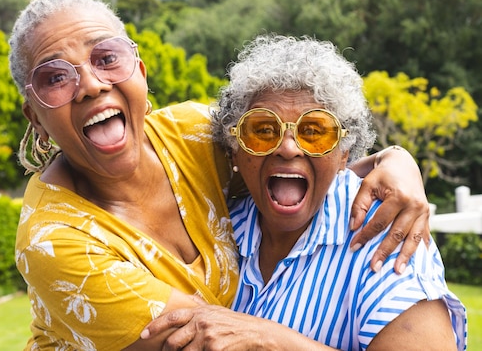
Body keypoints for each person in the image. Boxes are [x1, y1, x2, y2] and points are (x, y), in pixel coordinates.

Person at [8, 0, 432, 350]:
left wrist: (392, 160)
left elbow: (292, 148)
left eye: (106, 57)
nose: (92, 85)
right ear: (35, 117)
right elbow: (221, 338)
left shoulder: (194, 134)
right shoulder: (54, 240)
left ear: (138, 70)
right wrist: (270, 337)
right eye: (55, 77)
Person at [142, 35, 467, 350]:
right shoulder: (213, 224)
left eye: (314, 131)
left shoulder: (386, 235)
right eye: (263, 129)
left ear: (344, 152)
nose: (287, 147)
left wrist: (269, 340)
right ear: (234, 151)